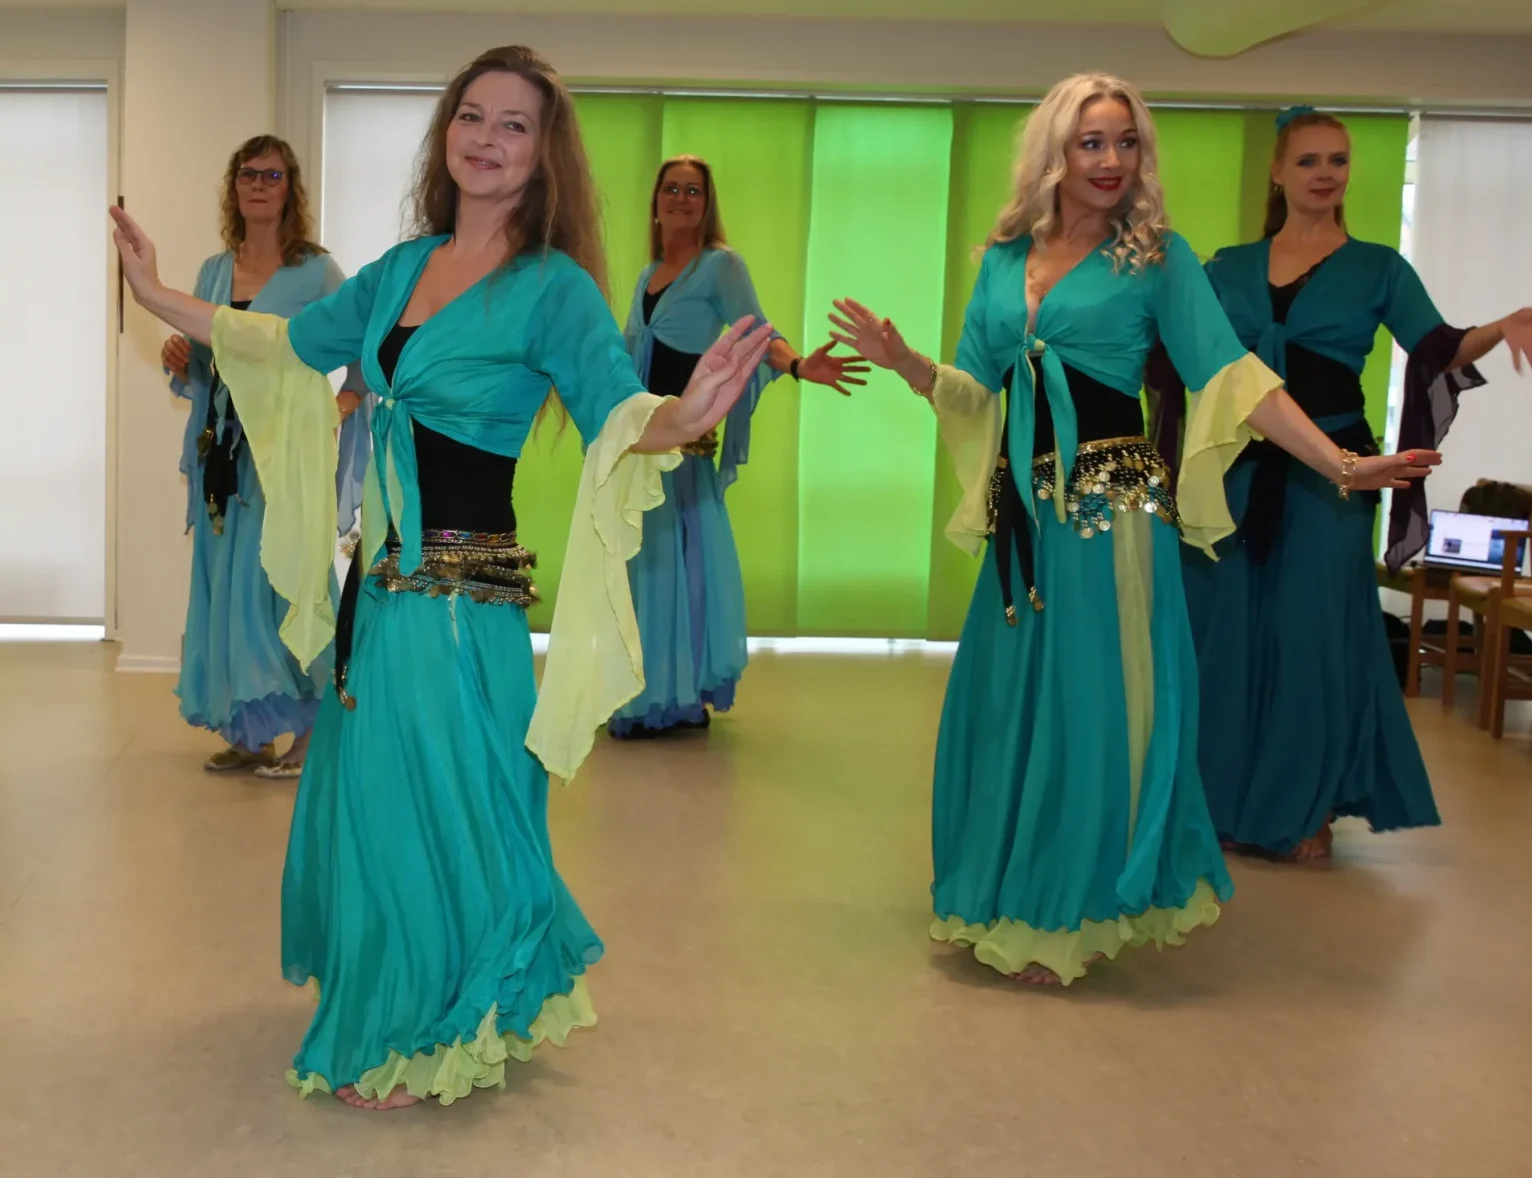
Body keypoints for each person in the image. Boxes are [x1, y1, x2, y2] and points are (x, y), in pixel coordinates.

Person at [112, 45, 773, 1108]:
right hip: (379, 592)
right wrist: (153, 293)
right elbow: (281, 343)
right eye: (472, 115)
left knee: (446, 804)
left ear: (544, 153)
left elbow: (616, 409)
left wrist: (683, 416)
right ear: (446, 133)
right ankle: (402, 996)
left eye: (514, 125)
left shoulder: (552, 287)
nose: (487, 139)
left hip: (463, 602)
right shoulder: (400, 267)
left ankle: (428, 1028)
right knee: (380, 803)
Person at [829, 74, 1436, 986]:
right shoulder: (1003, 258)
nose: (1112, 160)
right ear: (1054, 153)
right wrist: (906, 362)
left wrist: (1342, 465)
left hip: (1108, 517)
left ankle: (1067, 912)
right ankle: (1000, 893)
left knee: (1090, 712)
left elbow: (1232, 378)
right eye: (1092, 142)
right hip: (1024, 520)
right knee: (1008, 709)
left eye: (1126, 143)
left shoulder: (1155, 258)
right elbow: (976, 391)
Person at [1178, 106, 1532, 862]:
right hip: (1238, 471)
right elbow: (1186, 357)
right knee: (1227, 632)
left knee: (1313, 636)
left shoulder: (1379, 268)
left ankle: (1308, 806)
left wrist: (1500, 327)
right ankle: (1221, 802)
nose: (1325, 173)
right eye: (1308, 160)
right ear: (1278, 172)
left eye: (1337, 160)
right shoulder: (1225, 267)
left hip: (1337, 477)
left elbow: (1437, 348)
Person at [609, 155, 865, 738]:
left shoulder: (720, 265)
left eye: (693, 191)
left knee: (681, 566)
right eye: (671, 188)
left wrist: (798, 365)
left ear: (707, 205)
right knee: (649, 568)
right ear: (655, 202)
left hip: (685, 447)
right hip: (642, 446)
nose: (681, 198)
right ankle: (647, 693)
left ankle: (675, 698)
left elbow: (759, 334)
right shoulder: (647, 275)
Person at [161, 135, 368, 779]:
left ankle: (307, 734)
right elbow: (209, 359)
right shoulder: (212, 272)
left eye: (272, 175)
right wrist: (180, 358)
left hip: (283, 457)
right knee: (228, 589)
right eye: (248, 174)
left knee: (283, 582)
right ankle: (248, 732)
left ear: (289, 189)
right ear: (234, 187)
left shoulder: (316, 271)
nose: (258, 185)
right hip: (223, 455)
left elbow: (362, 348)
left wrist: (343, 403)